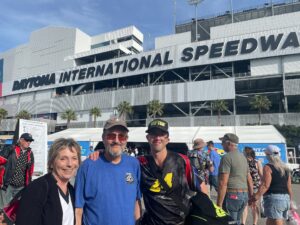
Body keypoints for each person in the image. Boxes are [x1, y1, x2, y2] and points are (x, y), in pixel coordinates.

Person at [138, 119, 207, 225]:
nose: (157, 138)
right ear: (148, 138)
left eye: (161, 134)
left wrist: (204, 214)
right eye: (153, 134)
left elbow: (202, 187)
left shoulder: (182, 161)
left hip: (180, 222)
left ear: (167, 139)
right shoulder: (140, 163)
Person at [75, 118, 141, 225]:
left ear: (126, 139)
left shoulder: (134, 164)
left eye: (121, 136)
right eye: (111, 136)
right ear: (103, 138)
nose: (116, 140)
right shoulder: (87, 166)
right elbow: (78, 209)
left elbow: (136, 201)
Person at [16, 138, 81, 225]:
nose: (69, 164)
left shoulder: (72, 191)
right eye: (63, 159)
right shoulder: (37, 188)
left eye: (74, 158)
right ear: (51, 162)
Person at [217, 133, 253, 225]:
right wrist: (251, 196)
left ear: (229, 144)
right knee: (237, 221)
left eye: (223, 142)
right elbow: (249, 178)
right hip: (244, 195)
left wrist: (219, 204)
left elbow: (223, 183)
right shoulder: (243, 157)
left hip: (232, 195)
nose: (221, 145)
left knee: (230, 222)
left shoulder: (227, 157)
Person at [252, 145, 293, 225]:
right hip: (285, 198)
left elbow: (265, 185)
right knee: (272, 220)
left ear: (269, 155)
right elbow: (289, 187)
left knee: (277, 221)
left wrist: (256, 197)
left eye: (266, 154)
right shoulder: (285, 168)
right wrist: (290, 201)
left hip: (274, 199)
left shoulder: (268, 167)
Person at [0, 133, 34, 212]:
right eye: (27, 140)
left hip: (21, 186)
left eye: (30, 141)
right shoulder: (11, 149)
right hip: (7, 184)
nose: (29, 142)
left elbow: (30, 170)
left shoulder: (30, 153)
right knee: (3, 209)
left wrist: (28, 184)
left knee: (17, 209)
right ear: (21, 140)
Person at [241, 147, 263, 225]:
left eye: (243, 152)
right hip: (245, 186)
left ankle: (254, 223)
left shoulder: (257, 162)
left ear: (246, 153)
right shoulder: (243, 162)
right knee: (247, 205)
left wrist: (262, 186)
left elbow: (261, 174)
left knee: (253, 205)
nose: (242, 153)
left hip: (254, 187)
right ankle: (244, 222)